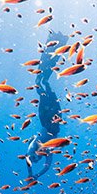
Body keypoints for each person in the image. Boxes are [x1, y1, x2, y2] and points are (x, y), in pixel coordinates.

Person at [25, 31, 66, 179]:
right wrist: (35, 175)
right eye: (37, 158)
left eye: (33, 157)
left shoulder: (35, 146)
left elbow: (28, 158)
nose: (34, 156)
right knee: (40, 82)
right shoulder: (46, 150)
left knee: (41, 83)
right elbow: (47, 165)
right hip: (51, 118)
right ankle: (56, 45)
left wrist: (32, 174)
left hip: (51, 117)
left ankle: (57, 44)